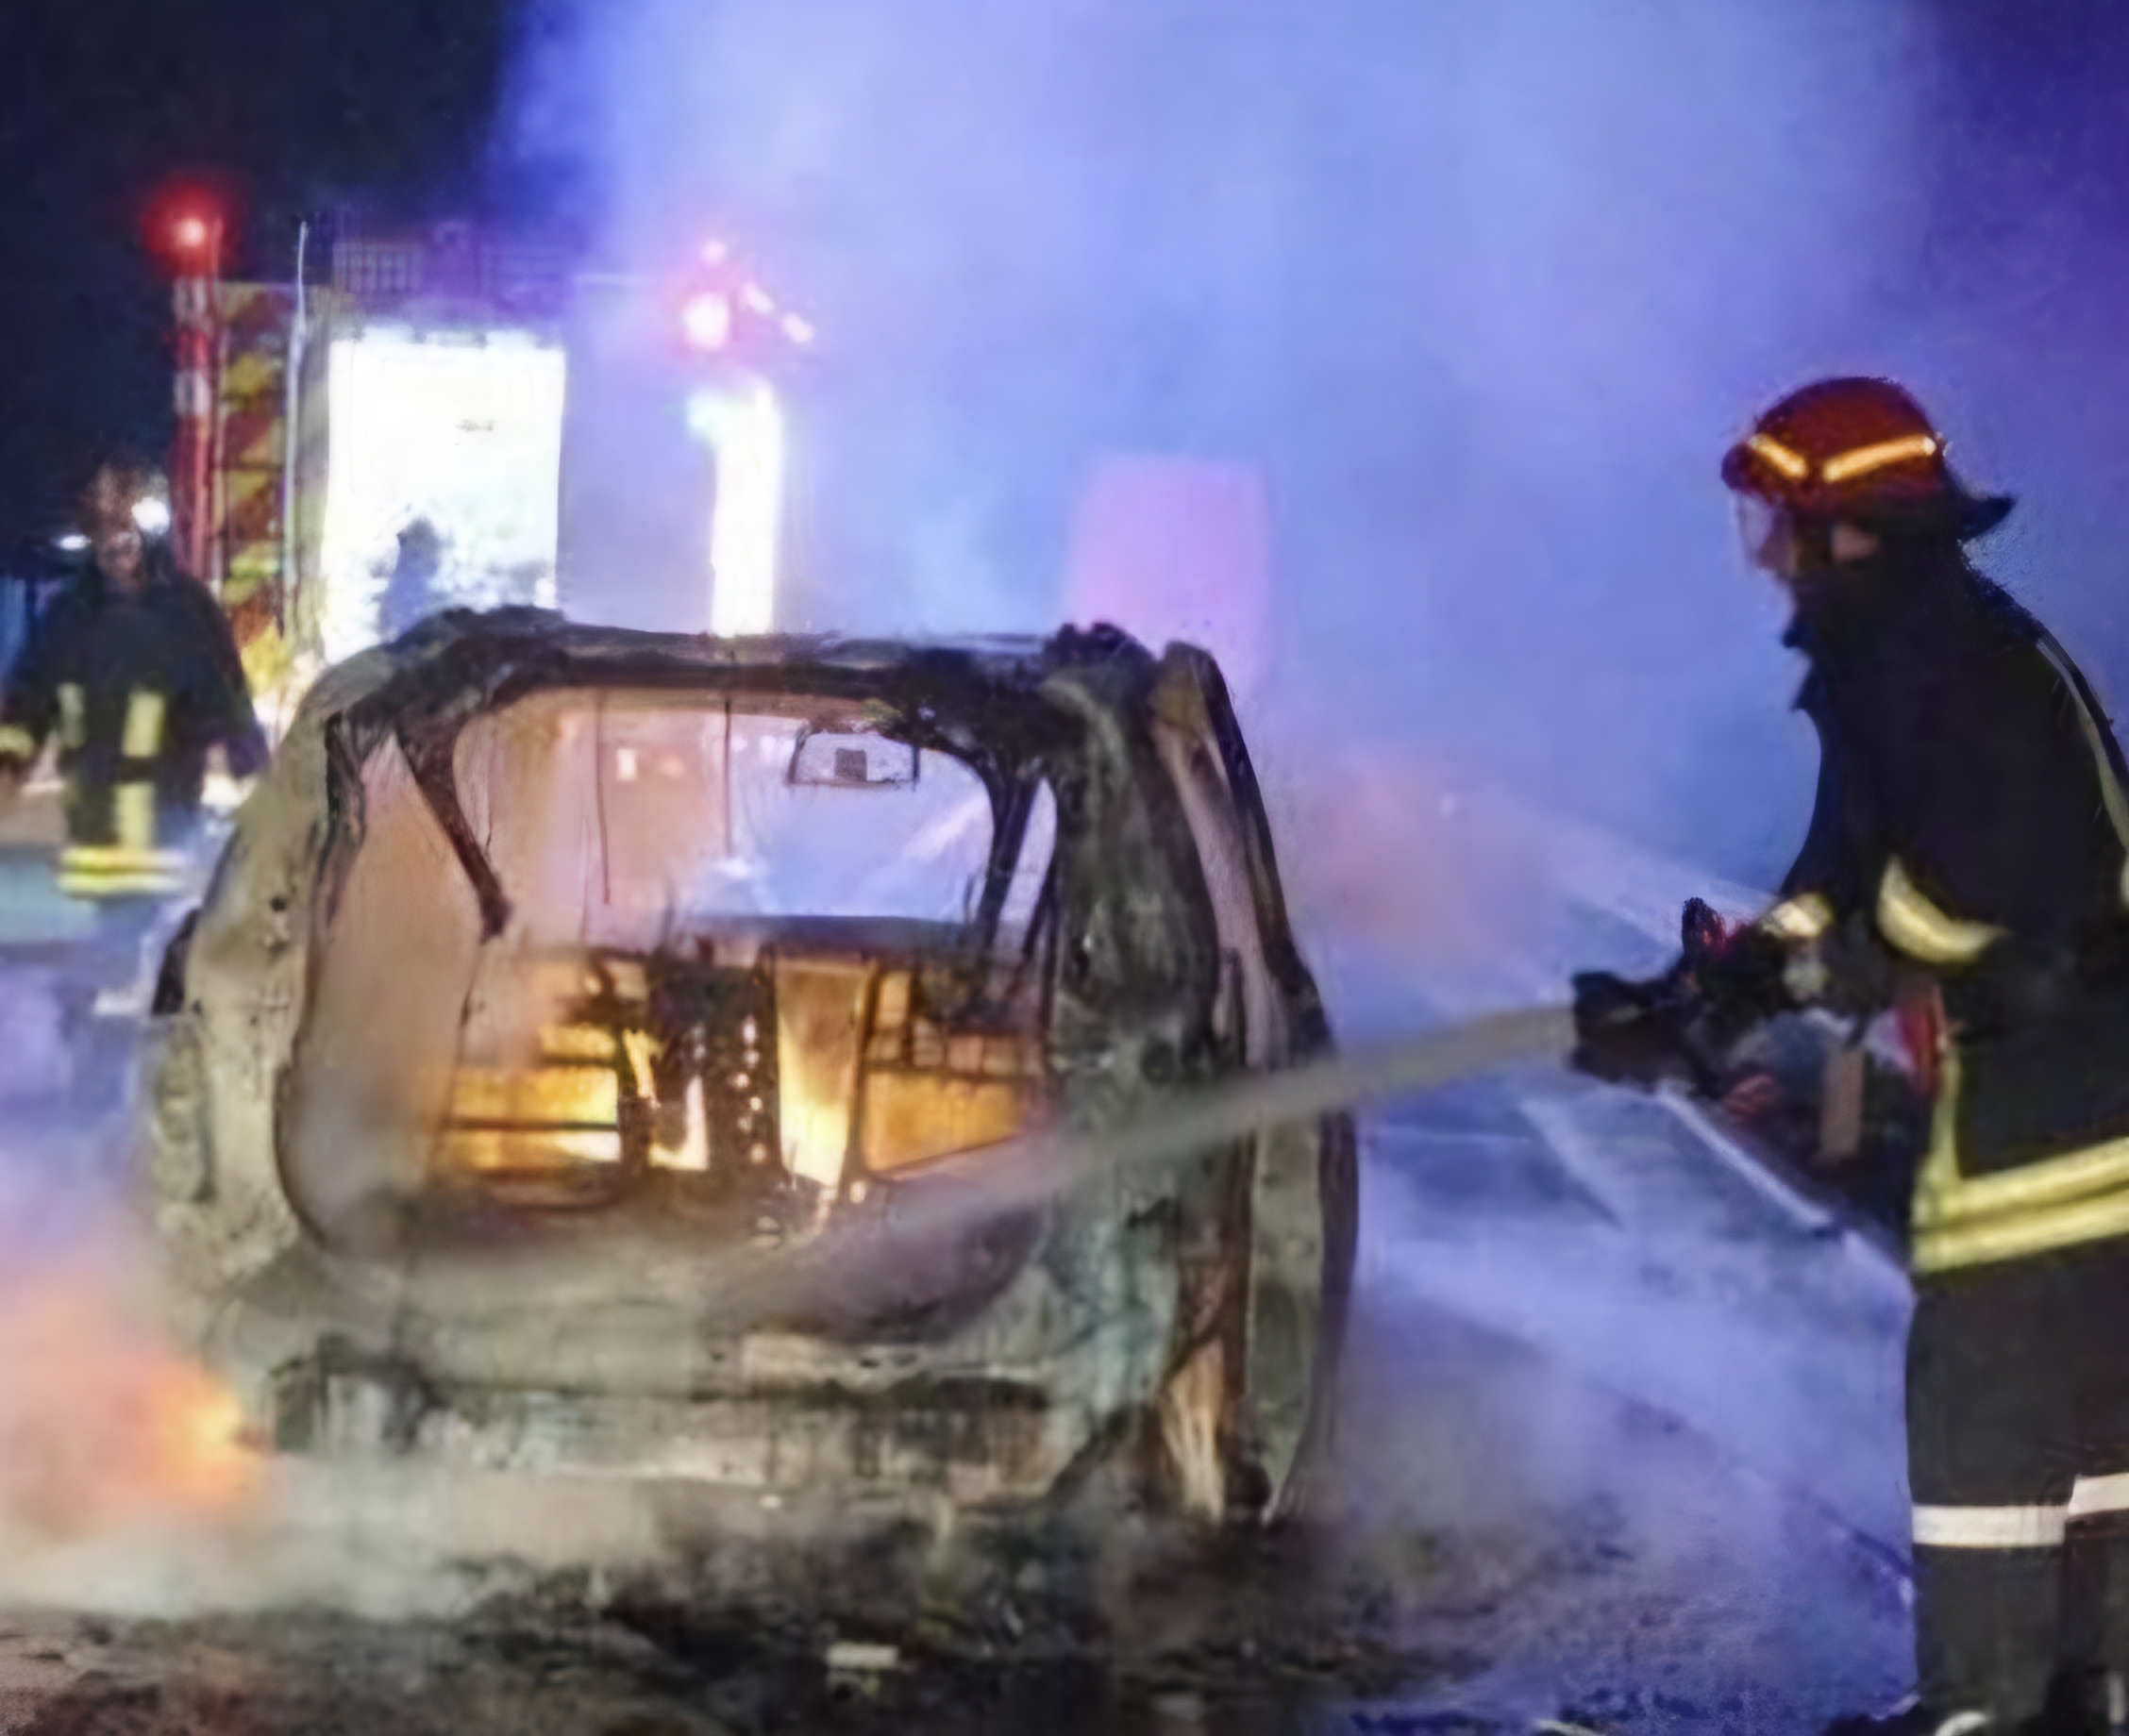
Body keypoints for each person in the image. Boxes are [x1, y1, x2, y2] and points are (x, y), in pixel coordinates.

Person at [1572, 377, 2129, 1735]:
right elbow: (1841, 877)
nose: (1764, 555)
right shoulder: (1939, 646)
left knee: (1988, 1417)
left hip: (2045, 1115)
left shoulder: (1928, 667)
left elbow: (1961, 899)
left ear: (1848, 529)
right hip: (2088, 1096)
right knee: (2094, 1425)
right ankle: (2087, 1690)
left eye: (1777, 523)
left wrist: (1823, 972)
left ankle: (1984, 1710)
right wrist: (1707, 993)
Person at [0, 456, 267, 899]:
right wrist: (8, 768)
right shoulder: (68, 618)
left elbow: (232, 713)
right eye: (103, 522)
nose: (116, 536)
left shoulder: (188, 613)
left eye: (126, 520)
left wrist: (265, 808)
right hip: (95, 863)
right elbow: (25, 712)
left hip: (168, 855)